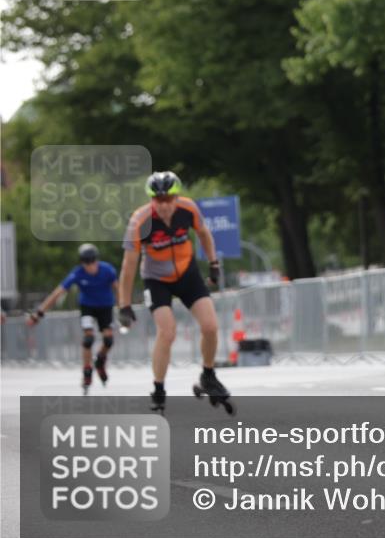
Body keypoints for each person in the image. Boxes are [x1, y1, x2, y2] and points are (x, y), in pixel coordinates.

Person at [117, 171, 233, 414]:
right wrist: (124, 305)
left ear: (177, 197)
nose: (165, 206)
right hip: (156, 279)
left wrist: (213, 264)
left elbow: (204, 234)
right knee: (167, 332)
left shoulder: (188, 209)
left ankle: (208, 376)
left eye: (169, 199)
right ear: (152, 200)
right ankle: (158, 390)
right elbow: (128, 267)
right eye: (158, 201)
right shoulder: (140, 221)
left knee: (210, 326)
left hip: (186, 272)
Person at [28, 244, 118, 393]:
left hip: (105, 307)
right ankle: (86, 371)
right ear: (82, 262)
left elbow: (118, 288)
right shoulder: (78, 273)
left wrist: (124, 308)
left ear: (97, 260)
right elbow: (58, 293)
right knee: (88, 339)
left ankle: (100, 360)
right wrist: (39, 313)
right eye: (86, 263)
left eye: (92, 262)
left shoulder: (107, 270)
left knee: (109, 340)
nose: (90, 266)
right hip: (87, 306)